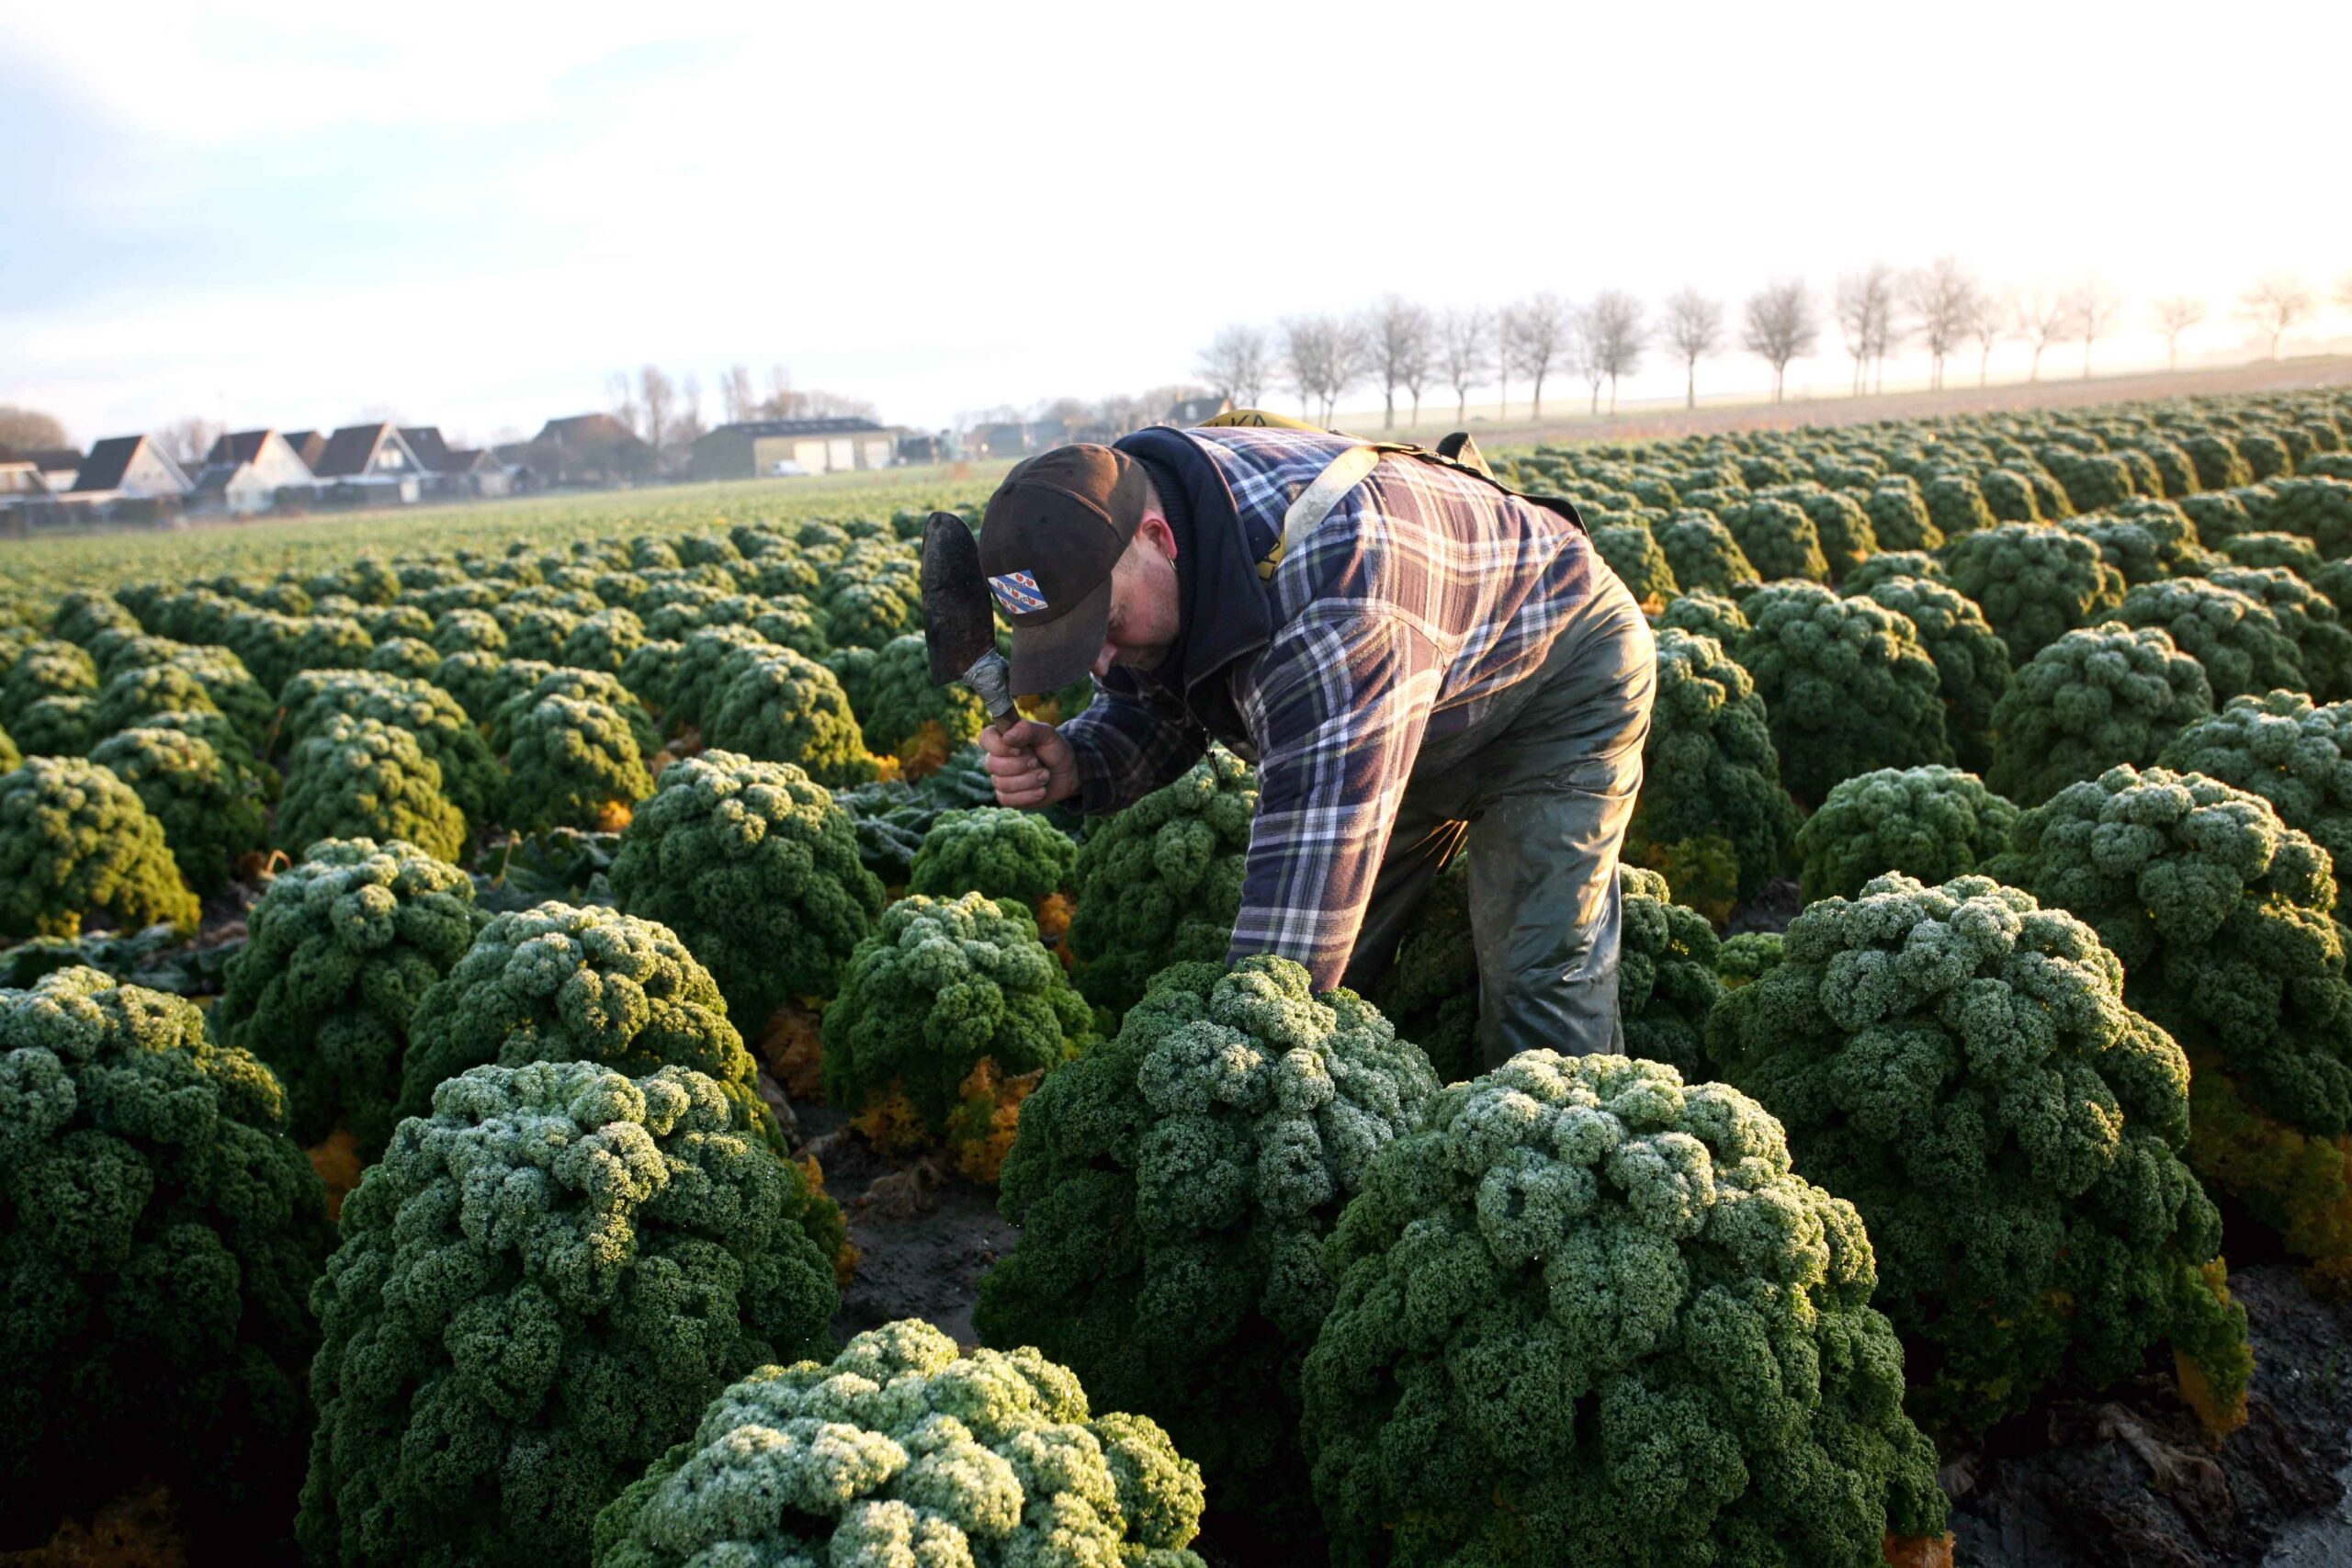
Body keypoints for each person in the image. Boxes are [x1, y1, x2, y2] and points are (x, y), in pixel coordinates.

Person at [973, 417, 1654, 1069]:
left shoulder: (1332, 606)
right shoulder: (1149, 515)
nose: (1104, 661)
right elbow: (1159, 684)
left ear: (1157, 537)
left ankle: (1589, 1137)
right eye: (1082, 642)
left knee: (1538, 987)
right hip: (1402, 684)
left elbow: (1288, 954)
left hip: (1555, 678)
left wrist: (1233, 1087)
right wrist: (1083, 758)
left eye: (1109, 624)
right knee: (1349, 962)